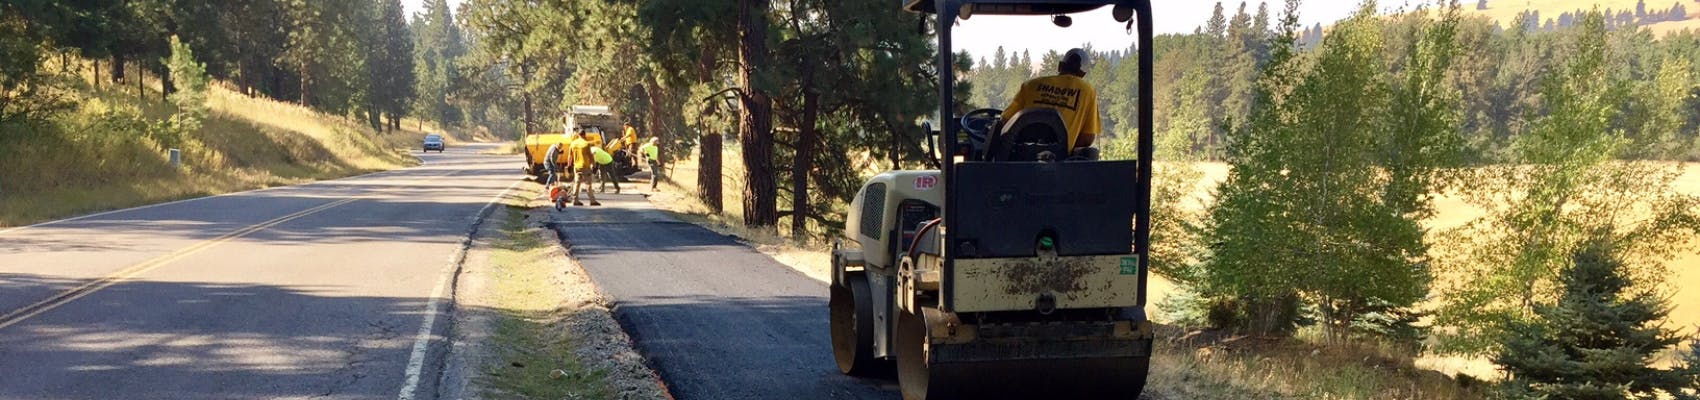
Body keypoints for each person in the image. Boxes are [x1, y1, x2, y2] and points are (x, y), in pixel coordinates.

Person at [1000, 48, 1101, 154]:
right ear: (1082, 74)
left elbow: (1005, 121)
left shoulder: (1030, 85)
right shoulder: (1088, 91)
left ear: (1060, 66)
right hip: (1058, 162)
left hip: (1020, 157)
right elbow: (1087, 138)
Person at [568, 130, 600, 206]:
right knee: (588, 184)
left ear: (578, 135)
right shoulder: (586, 144)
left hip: (576, 167)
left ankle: (575, 200)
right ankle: (592, 201)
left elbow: (570, 156)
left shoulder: (573, 144)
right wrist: (594, 165)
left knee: (577, 183)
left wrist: (569, 165)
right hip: (585, 167)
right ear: (584, 135)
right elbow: (590, 156)